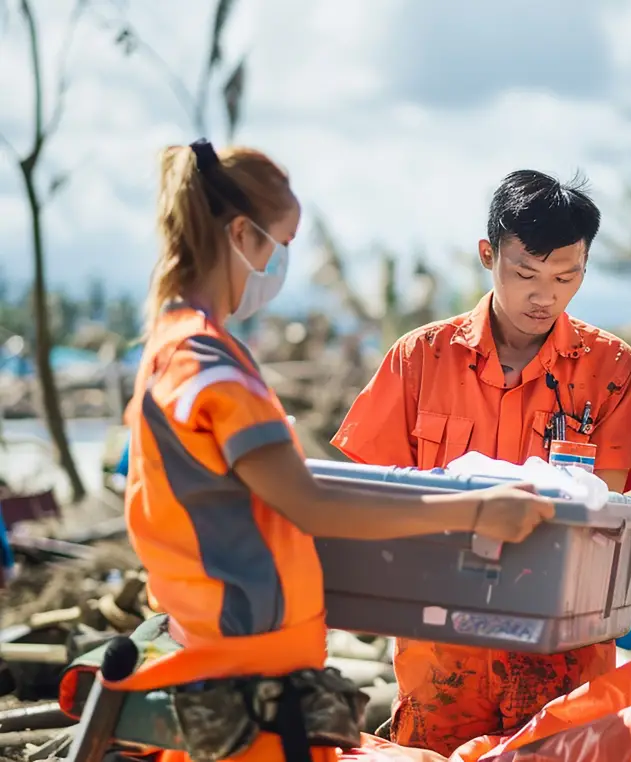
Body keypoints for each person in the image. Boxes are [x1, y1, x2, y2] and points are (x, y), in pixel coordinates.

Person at [113, 139, 555, 762]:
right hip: (244, 674)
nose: (282, 264)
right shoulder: (209, 364)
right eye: (282, 244)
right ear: (242, 233)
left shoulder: (173, 344)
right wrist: (475, 511)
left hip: (223, 649)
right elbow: (311, 506)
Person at [331, 169, 631, 755]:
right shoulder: (419, 360)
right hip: (440, 659)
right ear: (488, 254)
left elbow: (599, 519)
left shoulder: (612, 372)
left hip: (562, 661)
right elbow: (369, 500)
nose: (545, 295)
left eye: (566, 276)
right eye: (526, 273)